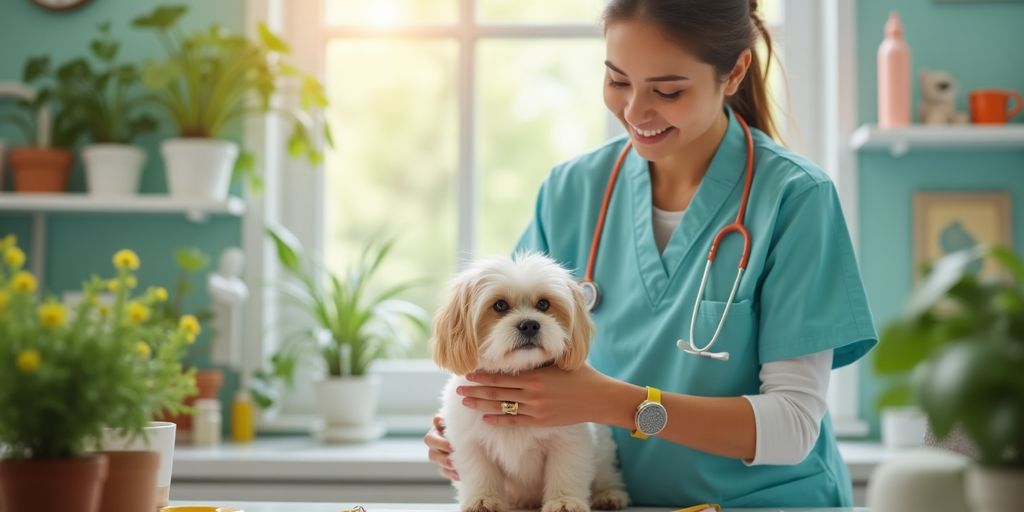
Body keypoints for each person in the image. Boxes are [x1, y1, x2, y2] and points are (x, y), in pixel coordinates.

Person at [424, 0, 877, 507]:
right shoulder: (572, 191)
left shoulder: (795, 199)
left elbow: (793, 427)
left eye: (668, 90)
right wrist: (472, 428)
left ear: (734, 73)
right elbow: (501, 351)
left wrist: (616, 403)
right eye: (618, 81)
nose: (635, 112)